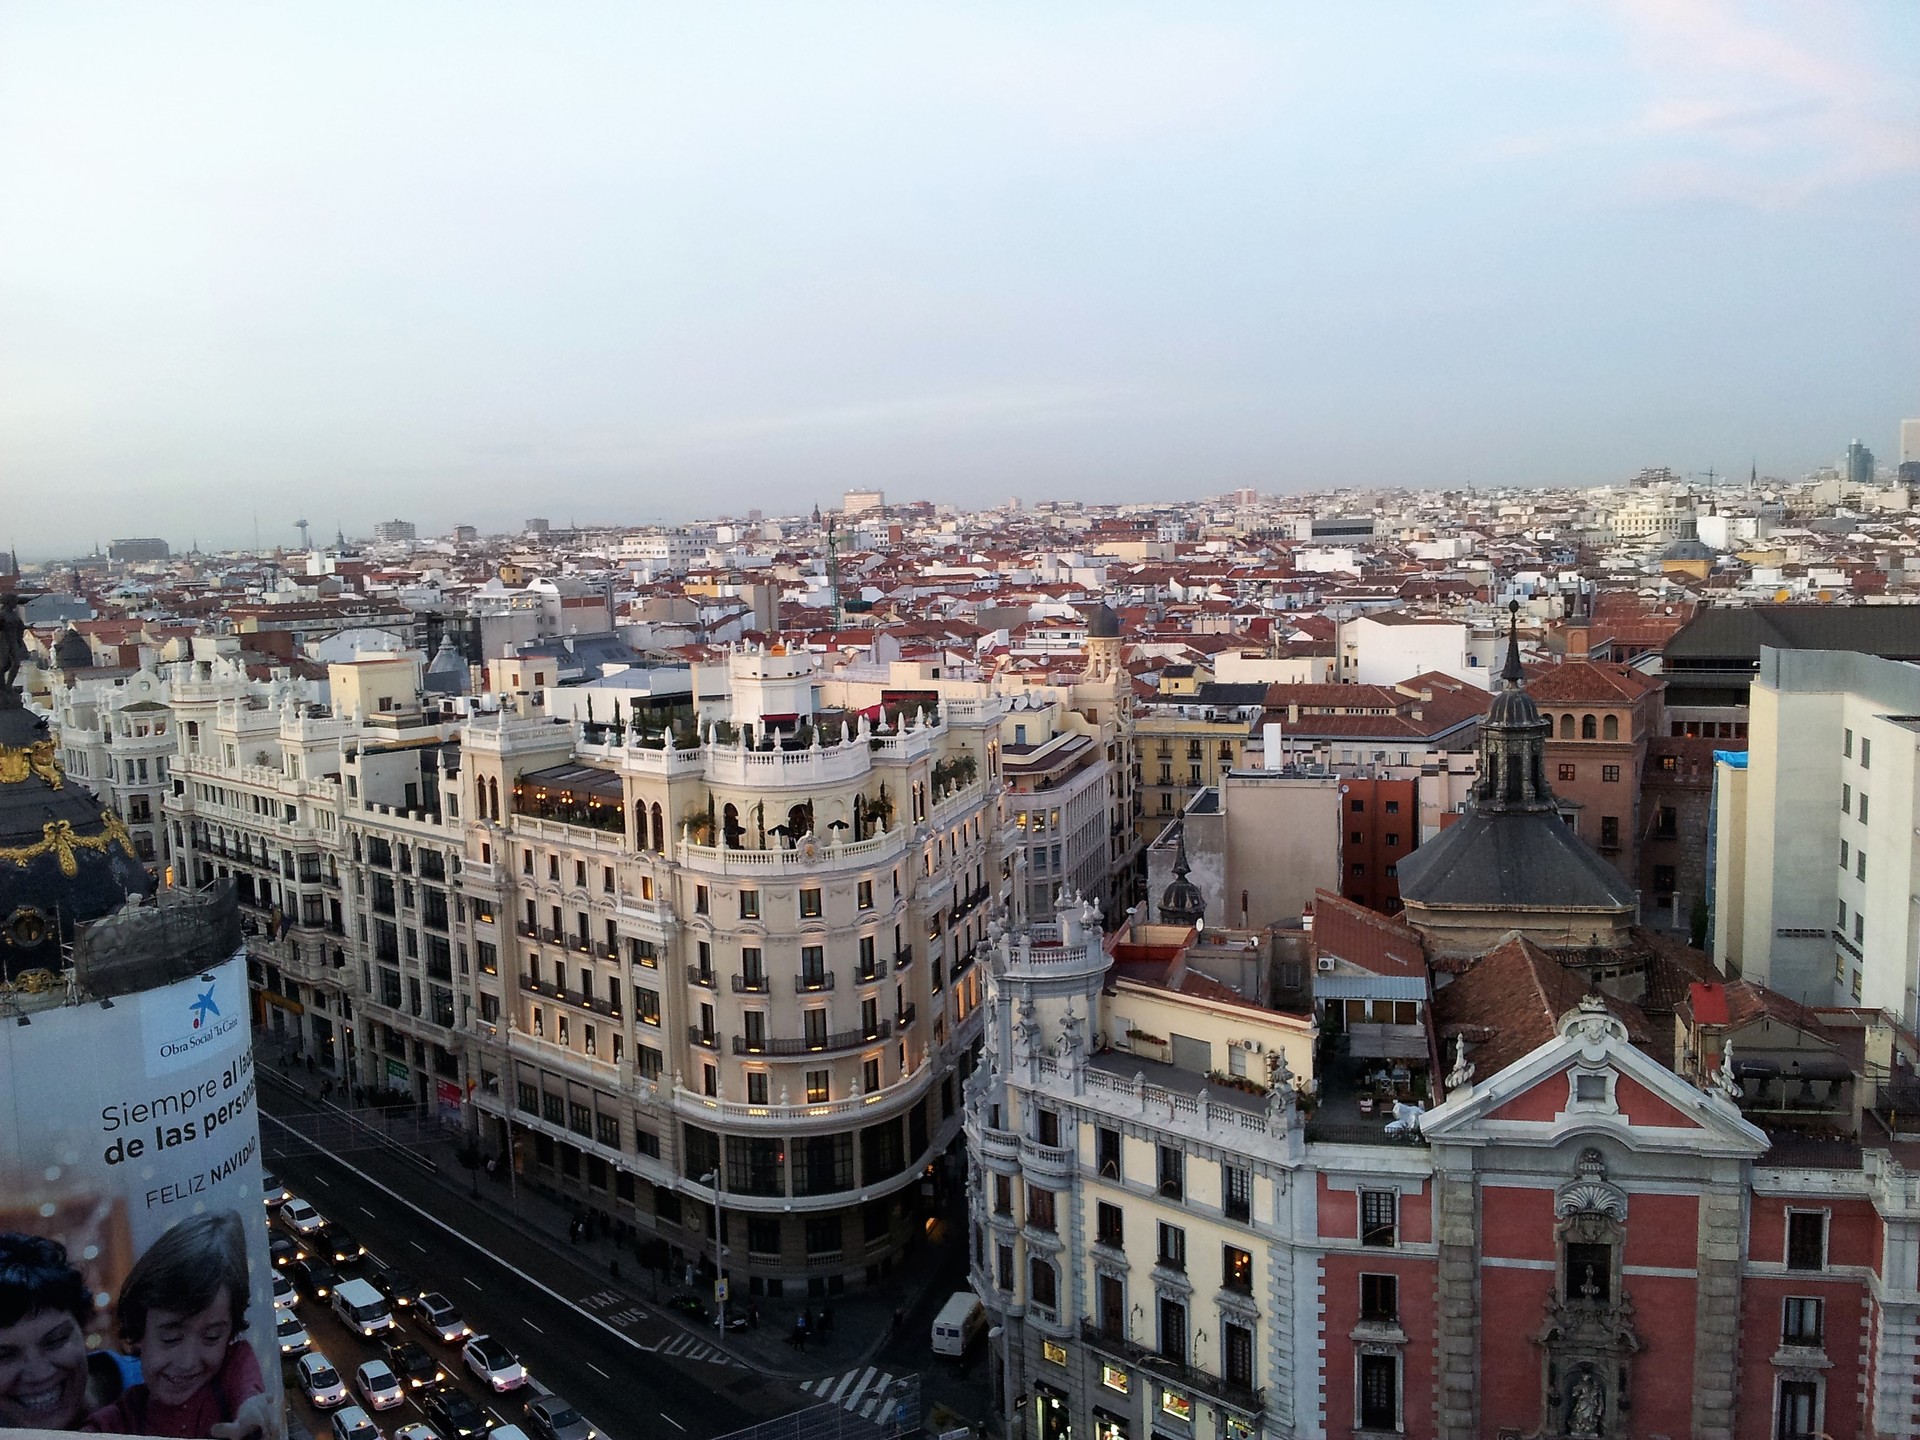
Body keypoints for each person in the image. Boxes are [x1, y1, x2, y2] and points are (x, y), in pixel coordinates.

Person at [84, 1212, 273, 1440]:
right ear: (138, 1331)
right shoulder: (127, 1413)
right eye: (171, 1338)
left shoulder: (232, 1367)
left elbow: (247, 1391)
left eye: (212, 1337)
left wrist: (250, 1414)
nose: (187, 1362)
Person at [0, 1232, 131, 1430]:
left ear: (83, 1328)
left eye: (55, 1340)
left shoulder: (161, 1384)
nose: (40, 1373)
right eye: (5, 1356)